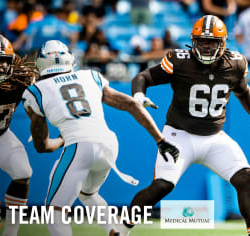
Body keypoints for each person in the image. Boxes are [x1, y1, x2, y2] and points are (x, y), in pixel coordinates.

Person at [118, 15, 250, 236]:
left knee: (244, 178)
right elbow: (143, 77)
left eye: (211, 41)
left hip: (215, 138)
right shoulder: (179, 60)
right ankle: (121, 228)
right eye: (202, 41)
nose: (207, 46)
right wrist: (139, 95)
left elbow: (243, 91)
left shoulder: (235, 63)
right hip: (178, 136)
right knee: (162, 185)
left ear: (223, 43)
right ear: (193, 41)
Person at [22, 40, 179, 236]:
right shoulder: (91, 76)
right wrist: (160, 140)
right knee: (88, 194)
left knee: (55, 212)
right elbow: (132, 105)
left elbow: (42, 146)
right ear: (70, 59)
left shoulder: (35, 91)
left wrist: (62, 140)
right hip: (108, 144)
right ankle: (116, 231)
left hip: (79, 147)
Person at [0, 34, 37, 236]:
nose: (0, 66)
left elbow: (41, 97)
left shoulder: (21, 76)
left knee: (23, 172)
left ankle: (10, 233)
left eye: (4, 61)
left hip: (0, 135)